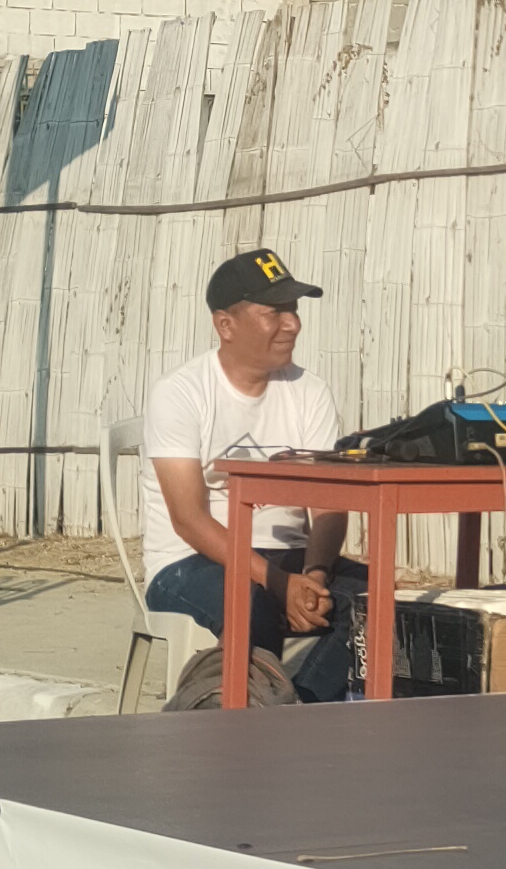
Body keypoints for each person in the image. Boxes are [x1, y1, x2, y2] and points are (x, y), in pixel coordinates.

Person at [137, 247, 354, 699]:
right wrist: (277, 584)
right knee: (251, 604)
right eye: (274, 313)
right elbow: (189, 520)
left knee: (379, 604)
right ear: (226, 325)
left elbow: (330, 504)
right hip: (189, 563)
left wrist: (313, 577)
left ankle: (298, 710)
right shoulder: (180, 394)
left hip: (291, 557)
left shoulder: (310, 392)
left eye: (293, 310)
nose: (292, 324)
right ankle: (258, 723)